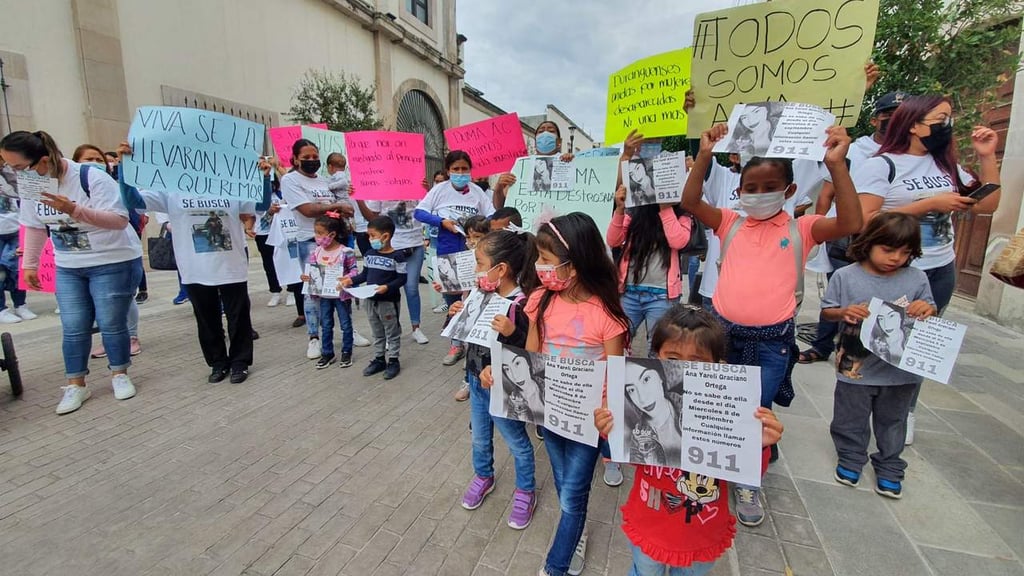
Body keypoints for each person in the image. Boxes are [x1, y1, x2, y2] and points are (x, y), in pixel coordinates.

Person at [682, 123, 862, 527]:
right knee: (714, 406)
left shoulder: (803, 228)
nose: (759, 195)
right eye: (751, 187)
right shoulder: (729, 223)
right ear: (739, 190)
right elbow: (691, 200)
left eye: (770, 187)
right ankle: (707, 465)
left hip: (771, 344)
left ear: (790, 191)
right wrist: (706, 154)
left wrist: (836, 165)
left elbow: (851, 222)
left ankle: (747, 480)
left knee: (756, 413)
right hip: (722, 336)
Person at [852, 94, 999, 445]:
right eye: (940, 119)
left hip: (938, 268)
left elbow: (988, 204)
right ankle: (856, 411)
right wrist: (928, 205)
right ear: (914, 124)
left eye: (950, 119)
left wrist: (987, 156)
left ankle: (903, 414)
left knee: (916, 346)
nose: (947, 126)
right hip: (891, 271)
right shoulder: (882, 165)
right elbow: (864, 219)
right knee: (875, 342)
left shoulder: (947, 166)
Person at [594, 304, 784, 576]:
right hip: (650, 523)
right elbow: (633, 457)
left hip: (702, 531)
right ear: (656, 360)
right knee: (644, 571)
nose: (684, 369)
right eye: (672, 359)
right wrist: (607, 428)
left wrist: (760, 443)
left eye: (698, 361)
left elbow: (750, 469)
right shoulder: (637, 409)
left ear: (719, 366)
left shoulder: (727, 413)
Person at [2, 131, 143, 414]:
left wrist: (74, 210)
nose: (14, 174)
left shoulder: (90, 177)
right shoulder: (32, 182)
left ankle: (119, 374)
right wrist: (29, 265)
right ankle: (76, 384)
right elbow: (32, 224)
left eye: (18, 167)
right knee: (74, 325)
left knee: (111, 321)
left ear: (43, 160)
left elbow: (118, 220)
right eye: (9, 168)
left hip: (111, 260)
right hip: (69, 264)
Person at [527, 212, 629, 576]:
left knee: (572, 496)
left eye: (547, 260)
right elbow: (531, 359)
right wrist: (504, 377)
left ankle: (557, 563)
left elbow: (616, 376)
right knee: (563, 484)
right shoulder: (540, 301)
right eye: (538, 258)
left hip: (588, 425)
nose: (540, 267)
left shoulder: (605, 314)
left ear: (576, 264)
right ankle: (578, 531)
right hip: (552, 417)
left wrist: (608, 415)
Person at [118, 142, 271, 384]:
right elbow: (132, 200)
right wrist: (124, 168)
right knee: (207, 319)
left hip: (231, 266)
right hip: (194, 267)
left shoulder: (230, 185)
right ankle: (218, 362)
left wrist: (264, 178)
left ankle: (240, 361)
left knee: (238, 317)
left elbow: (260, 205)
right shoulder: (170, 190)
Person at [821, 213, 936, 499]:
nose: (896, 258)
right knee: (850, 417)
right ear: (868, 243)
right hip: (855, 365)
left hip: (900, 371)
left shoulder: (917, 278)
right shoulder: (845, 276)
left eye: (905, 252)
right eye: (888, 249)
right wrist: (844, 312)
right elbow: (827, 310)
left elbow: (930, 307)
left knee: (894, 420)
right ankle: (850, 457)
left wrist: (926, 309)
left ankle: (890, 465)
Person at [800, 90, 910, 365]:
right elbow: (827, 191)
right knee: (843, 294)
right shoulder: (855, 149)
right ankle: (829, 348)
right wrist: (821, 229)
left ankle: (882, 358)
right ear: (875, 120)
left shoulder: (917, 155)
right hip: (850, 240)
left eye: (903, 116)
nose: (896, 121)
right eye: (889, 115)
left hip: (901, 243)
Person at [444, 228, 539, 528]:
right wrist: (455, 313)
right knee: (480, 438)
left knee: (517, 442)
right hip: (476, 380)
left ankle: (526, 490)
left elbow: (531, 349)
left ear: (501, 269)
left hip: (505, 387)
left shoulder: (522, 303)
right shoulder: (480, 295)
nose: (475, 271)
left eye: (480, 263)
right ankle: (483, 475)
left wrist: (514, 332)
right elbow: (466, 335)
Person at [608, 130, 692, 349]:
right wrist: (619, 209)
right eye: (633, 173)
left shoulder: (680, 213)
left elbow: (678, 241)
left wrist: (665, 206)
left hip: (662, 298)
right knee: (618, 345)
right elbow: (613, 240)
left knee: (658, 349)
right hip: (630, 294)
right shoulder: (634, 211)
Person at [415, 150, 495, 366]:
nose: (460, 173)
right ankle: (456, 344)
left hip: (473, 254)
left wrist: (477, 226)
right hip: (447, 253)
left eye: (464, 169)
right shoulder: (439, 190)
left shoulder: (477, 192)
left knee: (473, 297)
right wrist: (442, 222)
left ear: (470, 170)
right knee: (453, 301)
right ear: (448, 170)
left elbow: (492, 215)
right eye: (456, 169)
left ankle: (475, 343)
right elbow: (419, 213)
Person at [280, 138, 354, 361]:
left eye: (315, 157)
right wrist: (336, 206)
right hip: (311, 241)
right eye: (307, 158)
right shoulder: (290, 180)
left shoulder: (324, 181)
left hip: (336, 242)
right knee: (314, 291)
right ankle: (314, 337)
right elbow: (307, 210)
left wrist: (344, 208)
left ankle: (348, 331)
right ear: (295, 159)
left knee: (340, 286)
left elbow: (333, 207)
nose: (312, 161)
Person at [72, 144, 142, 357]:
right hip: (86, 252)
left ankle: (130, 336)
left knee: (123, 298)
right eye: (88, 159)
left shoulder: (111, 183)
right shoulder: (73, 187)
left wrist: (124, 162)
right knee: (100, 304)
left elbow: (131, 201)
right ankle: (109, 339)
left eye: (98, 159)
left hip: (118, 250)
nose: (94, 164)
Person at [356, 195, 430, 346]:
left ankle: (416, 328)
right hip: (391, 248)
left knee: (411, 289)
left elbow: (427, 209)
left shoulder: (414, 184)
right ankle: (392, 332)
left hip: (414, 246)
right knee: (389, 292)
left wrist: (426, 190)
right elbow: (372, 217)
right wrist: (358, 199)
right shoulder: (380, 188)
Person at [340, 216, 407, 380]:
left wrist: (388, 287)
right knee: (377, 332)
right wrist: (350, 280)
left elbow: (402, 278)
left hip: (388, 302)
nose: (370, 239)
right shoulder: (369, 254)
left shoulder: (398, 256)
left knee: (392, 332)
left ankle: (393, 360)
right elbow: (364, 275)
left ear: (385, 236)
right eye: (369, 236)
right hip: (370, 300)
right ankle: (379, 359)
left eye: (372, 235)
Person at [303, 213, 358, 369]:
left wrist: (346, 279)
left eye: (320, 233)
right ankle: (328, 352)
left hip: (341, 295)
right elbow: (312, 272)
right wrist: (307, 278)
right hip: (324, 295)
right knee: (326, 324)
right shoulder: (316, 252)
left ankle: (347, 351)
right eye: (316, 232)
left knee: (346, 324)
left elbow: (354, 270)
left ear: (332, 234)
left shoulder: (345, 252)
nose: (317, 237)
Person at [0, 161, 35, 324]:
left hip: (15, 228)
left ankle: (20, 304)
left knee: (17, 270)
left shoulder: (8, 175)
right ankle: (2, 309)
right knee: (0, 274)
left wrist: (8, 172)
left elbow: (20, 192)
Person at [254, 158, 285, 307]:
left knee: (286, 260)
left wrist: (278, 167)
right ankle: (275, 291)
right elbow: (259, 208)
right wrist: (270, 212)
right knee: (269, 263)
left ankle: (292, 290)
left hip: (283, 232)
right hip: (264, 232)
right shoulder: (255, 192)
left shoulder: (280, 192)